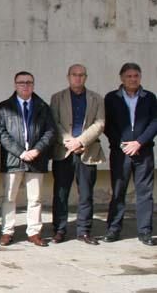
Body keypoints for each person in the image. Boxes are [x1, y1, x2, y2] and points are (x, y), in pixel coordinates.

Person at [0, 71, 54, 247]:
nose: (25, 85)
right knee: (9, 197)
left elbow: (50, 131)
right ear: (15, 85)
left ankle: (34, 232)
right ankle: (7, 231)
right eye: (21, 82)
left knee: (35, 198)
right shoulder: (4, 107)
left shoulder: (43, 106)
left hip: (37, 159)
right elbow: (1, 133)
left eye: (29, 82)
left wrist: (37, 150)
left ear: (33, 85)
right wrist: (21, 152)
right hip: (13, 159)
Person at [50, 64, 104, 245]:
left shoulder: (96, 98)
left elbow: (100, 124)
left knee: (86, 194)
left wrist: (81, 142)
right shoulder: (57, 98)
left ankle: (84, 231)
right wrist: (70, 142)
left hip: (88, 151)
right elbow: (54, 123)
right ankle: (59, 230)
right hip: (63, 152)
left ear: (86, 77)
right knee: (60, 193)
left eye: (81, 75)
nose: (78, 78)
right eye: (74, 75)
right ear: (68, 77)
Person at [104, 63, 157, 246]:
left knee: (145, 193)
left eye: (136, 76)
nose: (133, 79)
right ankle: (113, 229)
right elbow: (107, 125)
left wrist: (139, 142)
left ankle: (145, 231)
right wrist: (122, 144)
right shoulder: (112, 98)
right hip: (121, 153)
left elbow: (154, 123)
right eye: (129, 76)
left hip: (144, 152)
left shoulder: (149, 97)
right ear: (122, 78)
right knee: (118, 191)